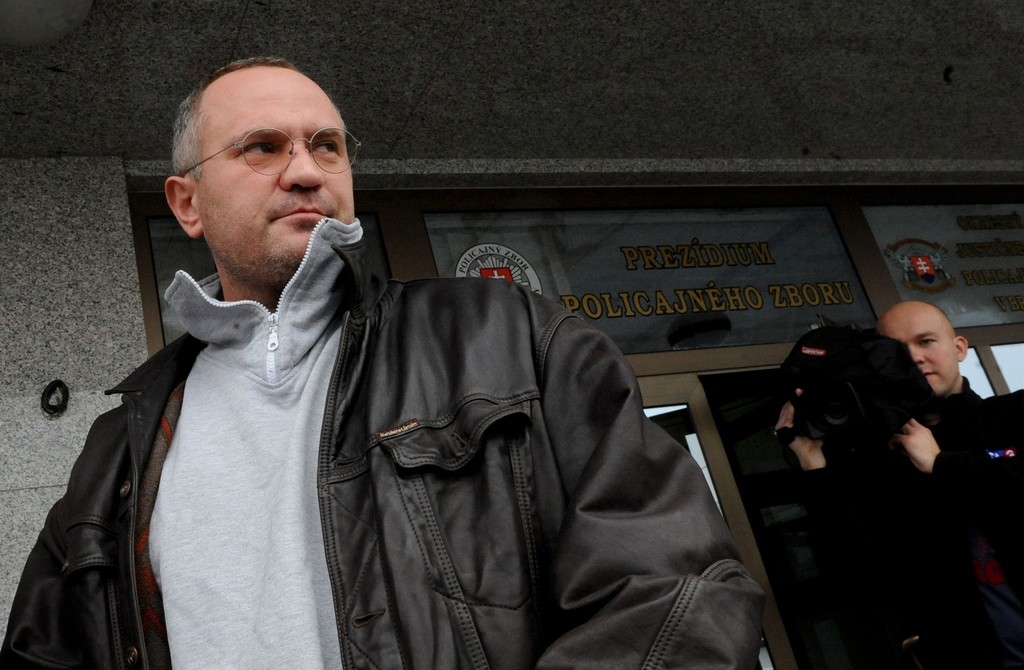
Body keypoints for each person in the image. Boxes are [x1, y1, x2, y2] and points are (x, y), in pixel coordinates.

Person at [1, 57, 764, 669]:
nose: (306, 171)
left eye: (326, 146)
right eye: (262, 147)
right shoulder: (120, 448)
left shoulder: (509, 336)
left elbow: (678, 592)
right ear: (186, 203)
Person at [776, 300, 1024, 669]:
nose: (914, 358)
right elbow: (858, 578)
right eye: (894, 351)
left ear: (959, 348)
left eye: (926, 341)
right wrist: (814, 465)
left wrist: (941, 464)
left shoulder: (1012, 416)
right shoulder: (882, 461)